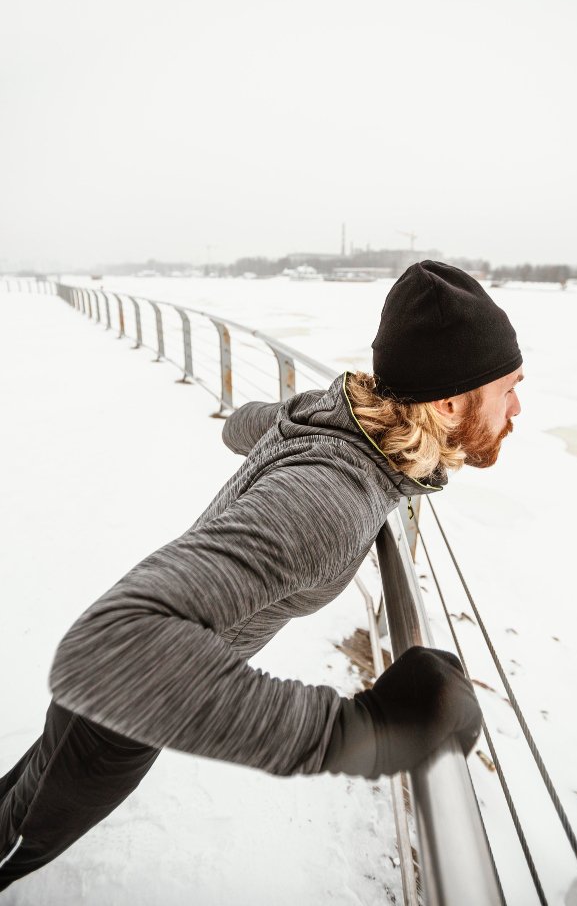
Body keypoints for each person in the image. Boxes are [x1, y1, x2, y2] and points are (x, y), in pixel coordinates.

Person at [0, 260, 523, 891]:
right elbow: (110, 650)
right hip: (127, 707)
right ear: (447, 400)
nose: (517, 408)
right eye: (507, 388)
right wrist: (362, 731)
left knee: (21, 793)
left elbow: (241, 423)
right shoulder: (332, 499)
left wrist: (271, 430)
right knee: (20, 841)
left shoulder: (328, 415)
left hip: (136, 686)